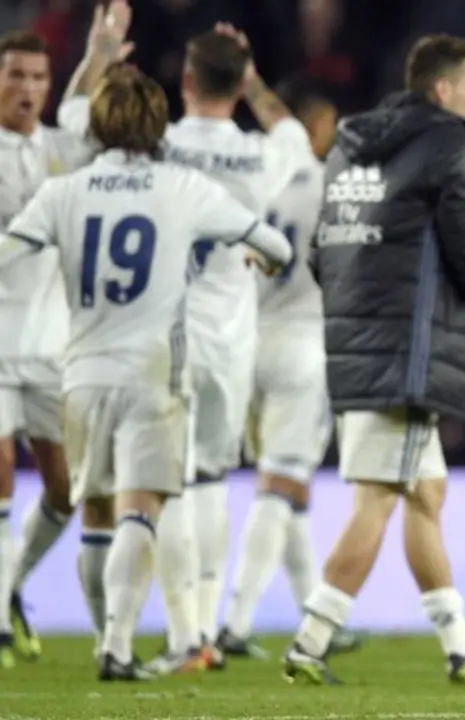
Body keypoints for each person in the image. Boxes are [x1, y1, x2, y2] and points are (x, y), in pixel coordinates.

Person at [0, 62, 291, 681]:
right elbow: (279, 246)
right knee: (141, 511)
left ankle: (109, 642)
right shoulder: (183, 187)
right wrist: (262, 262)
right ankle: (117, 645)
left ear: (100, 124)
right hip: (153, 375)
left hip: (79, 374)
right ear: (157, 123)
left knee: (97, 515)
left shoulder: (64, 191)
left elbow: (7, 251)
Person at [282, 33, 465, 686]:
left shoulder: (349, 145)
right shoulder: (447, 144)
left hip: (357, 346)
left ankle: (460, 646)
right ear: (443, 91)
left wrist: (365, 309)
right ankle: (310, 643)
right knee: (377, 499)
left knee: (425, 493)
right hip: (405, 354)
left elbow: (323, 252)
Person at [58, 8, 315, 674]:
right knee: (207, 482)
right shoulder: (262, 154)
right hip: (233, 339)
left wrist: (99, 57)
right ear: (236, 84)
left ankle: (186, 634)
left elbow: (73, 126)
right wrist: (256, 82)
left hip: (161, 334)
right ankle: (202, 628)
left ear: (186, 79)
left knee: (159, 484)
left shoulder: (159, 145)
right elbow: (292, 130)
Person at [217, 80, 361, 659]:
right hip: (306, 341)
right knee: (280, 482)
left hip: (250, 337)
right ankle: (236, 621)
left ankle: (314, 610)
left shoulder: (265, 175)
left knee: (288, 485)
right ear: (319, 128)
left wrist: (252, 83)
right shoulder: (334, 185)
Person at [0, 28, 97, 667]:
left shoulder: (63, 148)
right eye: (16, 76)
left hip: (51, 346)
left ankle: (8, 588)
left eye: (38, 77)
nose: (28, 89)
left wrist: (98, 51)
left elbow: (85, 109)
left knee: (64, 493)